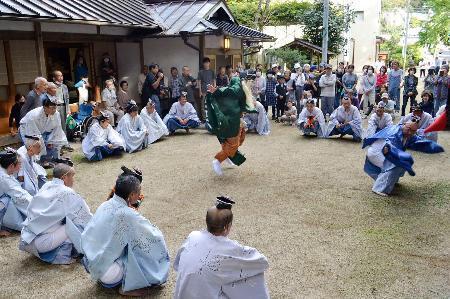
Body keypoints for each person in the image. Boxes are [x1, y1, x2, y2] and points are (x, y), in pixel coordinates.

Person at [81, 170, 170, 296]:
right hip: (109, 273)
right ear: (132, 195)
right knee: (142, 252)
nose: (140, 195)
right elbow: (154, 236)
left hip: (90, 261)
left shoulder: (105, 204)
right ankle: (128, 287)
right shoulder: (128, 214)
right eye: (139, 192)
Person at [173, 196, 269, 299]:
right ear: (226, 227)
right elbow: (261, 262)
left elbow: (177, 264)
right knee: (251, 274)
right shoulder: (228, 248)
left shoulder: (193, 236)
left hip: (181, 295)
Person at [19, 163, 92, 264]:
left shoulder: (46, 185)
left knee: (68, 220)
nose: (73, 180)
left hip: (27, 238)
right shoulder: (67, 192)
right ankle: (62, 257)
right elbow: (85, 215)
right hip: (41, 243)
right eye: (72, 176)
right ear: (64, 177)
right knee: (74, 225)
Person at [363, 120, 444, 197]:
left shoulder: (409, 134)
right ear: (404, 124)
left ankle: (391, 181)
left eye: (413, 131)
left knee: (402, 164)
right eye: (408, 129)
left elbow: (419, 142)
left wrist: (435, 147)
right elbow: (390, 147)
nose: (410, 132)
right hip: (377, 153)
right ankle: (379, 188)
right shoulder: (394, 132)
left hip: (386, 153)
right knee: (396, 165)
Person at [207, 77, 254, 176]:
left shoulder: (239, 89)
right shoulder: (235, 88)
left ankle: (228, 155)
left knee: (239, 140)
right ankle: (218, 160)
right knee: (233, 145)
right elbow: (231, 91)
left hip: (236, 121)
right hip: (229, 123)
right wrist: (217, 91)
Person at [19, 97, 68, 166]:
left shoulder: (56, 114)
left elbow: (57, 128)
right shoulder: (34, 115)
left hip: (43, 130)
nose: (54, 110)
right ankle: (31, 165)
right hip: (27, 130)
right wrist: (40, 142)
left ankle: (45, 161)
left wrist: (53, 141)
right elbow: (34, 134)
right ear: (45, 107)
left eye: (55, 107)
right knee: (33, 146)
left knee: (52, 143)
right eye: (52, 108)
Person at [0, 148, 32, 236]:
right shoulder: (4, 178)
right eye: (19, 163)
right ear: (11, 166)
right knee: (7, 201)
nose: (20, 166)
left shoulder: (4, 171)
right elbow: (20, 195)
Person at [53, 71, 70, 135]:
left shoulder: (64, 86)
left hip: (63, 106)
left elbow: (67, 98)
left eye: (62, 76)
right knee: (56, 124)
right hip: (55, 106)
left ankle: (64, 139)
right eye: (59, 76)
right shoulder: (52, 86)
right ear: (54, 78)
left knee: (63, 124)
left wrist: (68, 109)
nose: (61, 77)